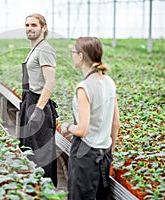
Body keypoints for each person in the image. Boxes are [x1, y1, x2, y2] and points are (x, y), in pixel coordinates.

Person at [61, 37, 120, 199]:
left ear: (80, 56)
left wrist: (67, 127)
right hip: (104, 156)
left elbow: (82, 129)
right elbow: (116, 123)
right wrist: (109, 153)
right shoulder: (109, 82)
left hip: (85, 158)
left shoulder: (83, 88)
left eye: (73, 52)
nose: (72, 55)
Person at [19, 13, 58, 187]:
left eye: (34, 25)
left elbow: (50, 82)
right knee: (29, 150)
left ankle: (44, 190)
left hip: (38, 104)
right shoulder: (35, 49)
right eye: (27, 25)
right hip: (29, 101)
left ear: (43, 28)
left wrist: (39, 110)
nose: (29, 28)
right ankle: (33, 189)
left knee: (41, 155)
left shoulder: (45, 49)